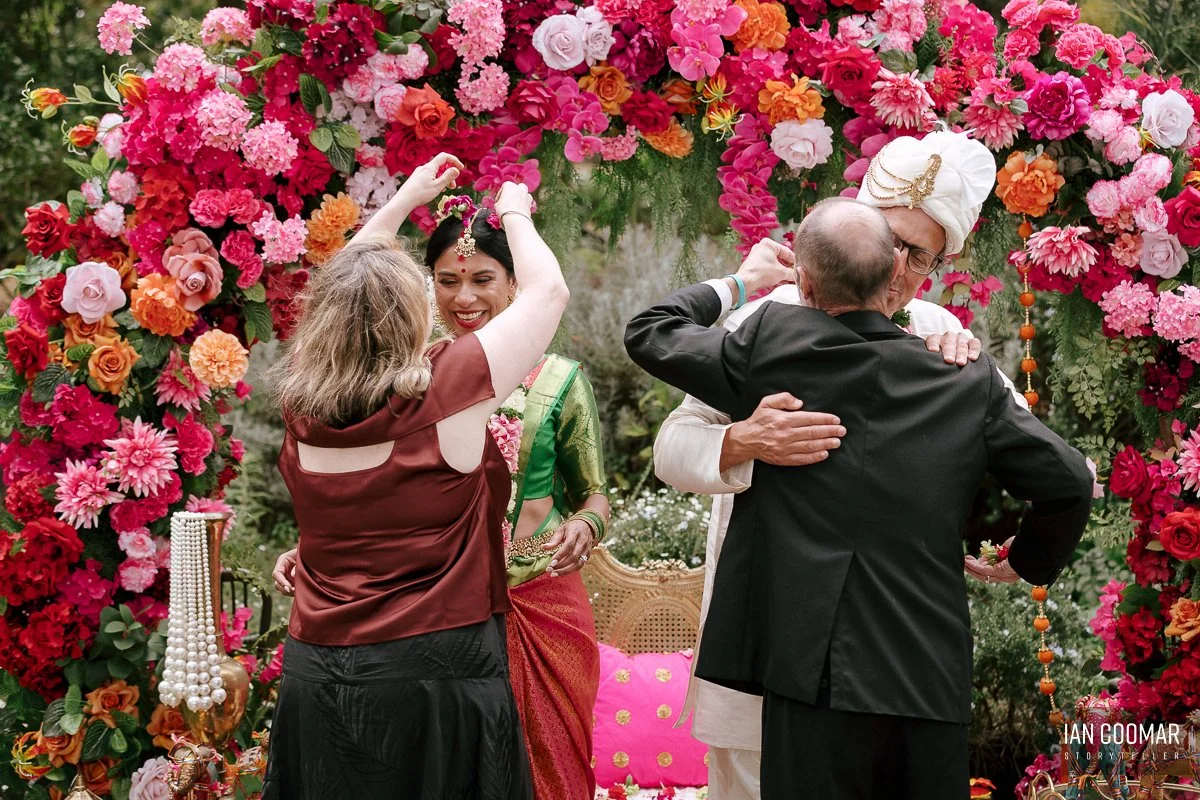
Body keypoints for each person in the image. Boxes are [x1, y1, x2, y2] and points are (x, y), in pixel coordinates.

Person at [624, 198, 1093, 800]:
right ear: (893, 273)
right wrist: (1026, 561)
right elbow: (1069, 482)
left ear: (806, 281)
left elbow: (649, 330)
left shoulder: (769, 343)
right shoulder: (964, 375)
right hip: (926, 672)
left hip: (809, 673)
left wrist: (740, 283)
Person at [272, 192, 606, 799]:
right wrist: (516, 211)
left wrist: (405, 198)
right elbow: (548, 292)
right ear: (413, 314)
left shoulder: (301, 403)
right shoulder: (446, 390)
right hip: (435, 676)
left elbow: (341, 291)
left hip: (316, 674)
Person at [424, 196, 607, 800]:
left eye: (482, 279)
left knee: (551, 766)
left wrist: (586, 527)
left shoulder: (559, 379)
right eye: (448, 281)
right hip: (443, 601)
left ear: (513, 285)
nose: (464, 297)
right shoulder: (414, 378)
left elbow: (593, 495)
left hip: (543, 600)